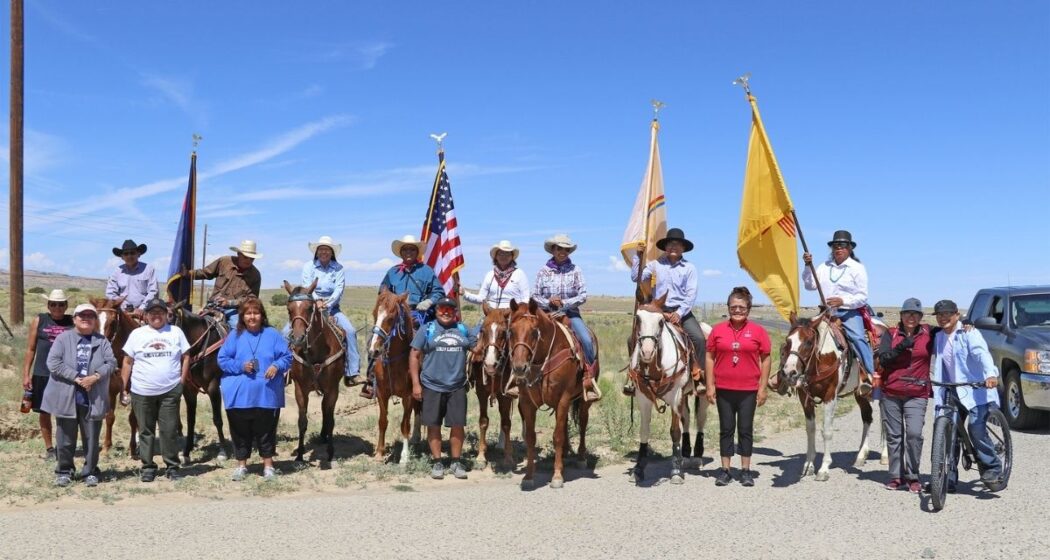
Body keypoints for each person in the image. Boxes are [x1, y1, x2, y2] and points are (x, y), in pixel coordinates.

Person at [930, 299, 1003, 490]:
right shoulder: (938, 336)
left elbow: (981, 354)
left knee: (976, 428)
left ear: (956, 315)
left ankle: (993, 468)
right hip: (951, 389)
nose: (943, 318)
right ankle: (947, 477)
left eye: (947, 314)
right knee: (947, 431)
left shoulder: (969, 332)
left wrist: (990, 374)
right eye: (939, 315)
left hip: (975, 389)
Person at [41, 303, 117, 487]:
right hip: (67, 396)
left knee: (91, 438)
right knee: (65, 438)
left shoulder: (102, 341)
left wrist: (95, 376)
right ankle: (64, 471)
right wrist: (77, 377)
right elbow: (53, 362)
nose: (86, 319)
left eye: (90, 316)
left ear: (95, 320)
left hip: (93, 397)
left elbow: (111, 362)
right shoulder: (63, 338)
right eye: (81, 315)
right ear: (74, 319)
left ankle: (90, 471)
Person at [217, 298, 292, 481]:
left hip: (266, 394)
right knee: (240, 431)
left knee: (266, 430)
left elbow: (287, 356)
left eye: (255, 313)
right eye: (248, 313)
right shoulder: (234, 336)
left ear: (262, 315)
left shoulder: (273, 334)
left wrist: (276, 365)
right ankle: (242, 466)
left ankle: (268, 467)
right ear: (242, 316)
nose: (252, 317)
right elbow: (222, 359)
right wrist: (241, 366)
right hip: (239, 394)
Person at [704, 287, 771, 487]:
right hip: (723, 388)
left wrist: (762, 387)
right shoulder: (718, 330)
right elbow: (709, 357)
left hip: (748, 389)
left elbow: (766, 359)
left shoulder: (758, 331)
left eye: (742, 307)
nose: (737, 310)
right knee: (726, 429)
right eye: (734, 306)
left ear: (748, 309)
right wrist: (709, 385)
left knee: (745, 429)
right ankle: (725, 470)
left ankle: (745, 470)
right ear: (728, 308)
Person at [627, 227, 705, 396]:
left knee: (698, 338)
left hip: (681, 313)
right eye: (670, 244)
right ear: (665, 247)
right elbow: (636, 278)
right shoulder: (655, 265)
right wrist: (637, 256)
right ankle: (633, 375)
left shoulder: (689, 268)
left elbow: (691, 294)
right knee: (632, 338)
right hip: (658, 311)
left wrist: (679, 313)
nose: (673, 247)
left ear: (683, 248)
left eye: (677, 245)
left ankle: (698, 375)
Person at [120, 298, 191, 482]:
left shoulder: (175, 332)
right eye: (152, 312)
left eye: (160, 312)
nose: (156, 315)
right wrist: (123, 388)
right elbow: (127, 362)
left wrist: (181, 382)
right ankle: (148, 466)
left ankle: (172, 465)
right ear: (146, 315)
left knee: (169, 430)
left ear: (166, 314)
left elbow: (186, 356)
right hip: (142, 391)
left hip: (170, 390)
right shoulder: (137, 334)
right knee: (145, 430)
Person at [409, 297, 478, 480]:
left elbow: (478, 348)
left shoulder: (462, 329)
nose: (446, 312)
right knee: (433, 424)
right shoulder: (427, 329)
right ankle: (437, 462)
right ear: (437, 310)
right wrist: (416, 384)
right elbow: (415, 356)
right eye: (442, 309)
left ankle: (456, 461)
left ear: (455, 312)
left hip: (457, 385)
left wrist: (486, 330)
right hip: (432, 385)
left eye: (450, 309)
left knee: (457, 425)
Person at [802, 229, 876, 395]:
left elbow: (862, 297)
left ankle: (870, 375)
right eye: (835, 245)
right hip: (825, 312)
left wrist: (843, 301)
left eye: (842, 245)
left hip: (848, 312)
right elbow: (810, 285)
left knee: (857, 338)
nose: (838, 248)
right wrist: (808, 267)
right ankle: (793, 374)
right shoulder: (823, 266)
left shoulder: (857, 268)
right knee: (802, 334)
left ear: (849, 248)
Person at [533, 233, 600, 401]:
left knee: (585, 339)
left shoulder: (576, 270)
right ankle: (520, 376)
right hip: (547, 313)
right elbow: (534, 295)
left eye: (565, 249)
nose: (562, 252)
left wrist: (563, 303)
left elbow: (583, 295)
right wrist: (549, 301)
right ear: (553, 250)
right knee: (527, 337)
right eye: (559, 248)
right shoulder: (543, 271)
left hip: (570, 313)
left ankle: (588, 377)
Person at [300, 235, 361, 386]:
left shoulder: (338, 268)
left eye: (327, 250)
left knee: (351, 332)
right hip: (311, 307)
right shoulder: (308, 266)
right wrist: (317, 301)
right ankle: (286, 370)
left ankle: (352, 372)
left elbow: (339, 289)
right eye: (321, 249)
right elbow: (307, 286)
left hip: (332, 308)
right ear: (317, 251)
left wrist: (327, 304)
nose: (324, 252)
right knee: (288, 331)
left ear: (332, 252)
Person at [21, 289, 74, 462]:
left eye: (60, 304)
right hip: (42, 373)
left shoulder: (72, 322)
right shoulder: (40, 320)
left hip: (65, 375)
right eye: (53, 304)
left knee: (64, 412)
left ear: (66, 305)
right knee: (43, 412)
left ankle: (63, 445)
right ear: (48, 305)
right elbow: (30, 349)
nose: (57, 307)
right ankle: (49, 448)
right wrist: (26, 374)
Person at [185, 240, 262, 328]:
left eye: (251, 258)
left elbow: (251, 299)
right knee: (193, 325)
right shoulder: (224, 262)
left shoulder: (255, 275)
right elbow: (206, 272)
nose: (248, 260)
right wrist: (188, 274)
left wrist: (229, 303)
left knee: (237, 327)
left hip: (235, 310)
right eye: (245, 257)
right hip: (213, 305)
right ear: (238, 254)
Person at [379, 234, 446, 325]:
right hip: (396, 315)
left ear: (417, 252)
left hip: (420, 315)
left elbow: (438, 292)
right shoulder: (392, 272)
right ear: (401, 252)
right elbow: (383, 292)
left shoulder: (427, 271)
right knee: (377, 335)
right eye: (405, 249)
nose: (408, 252)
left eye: (412, 249)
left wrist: (429, 301)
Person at [462, 240, 531, 312]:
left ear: (512, 257)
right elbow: (481, 298)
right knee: (480, 324)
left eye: (507, 254)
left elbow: (526, 299)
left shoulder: (519, 274)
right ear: (496, 257)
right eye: (500, 254)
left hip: (513, 315)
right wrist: (464, 293)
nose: (504, 256)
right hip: (493, 314)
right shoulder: (490, 275)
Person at [105, 239, 158, 319]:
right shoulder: (117, 272)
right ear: (122, 257)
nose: (129, 256)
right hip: (123, 311)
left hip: (144, 312)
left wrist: (141, 308)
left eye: (132, 253)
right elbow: (110, 293)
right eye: (126, 254)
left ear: (138, 254)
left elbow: (153, 291)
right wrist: (126, 306)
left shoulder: (148, 269)